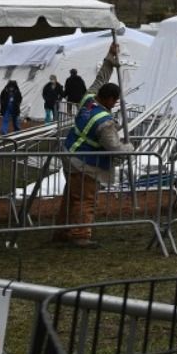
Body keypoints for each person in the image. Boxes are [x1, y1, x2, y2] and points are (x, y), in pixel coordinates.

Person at [53, 42, 132, 248]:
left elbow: (101, 78)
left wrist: (110, 57)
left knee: (71, 197)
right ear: (110, 99)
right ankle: (80, 234)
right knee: (86, 200)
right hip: (85, 163)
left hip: (70, 155)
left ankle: (62, 230)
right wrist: (129, 148)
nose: (115, 104)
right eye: (115, 101)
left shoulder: (88, 99)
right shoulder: (104, 122)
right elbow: (114, 148)